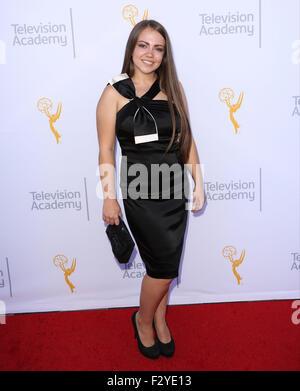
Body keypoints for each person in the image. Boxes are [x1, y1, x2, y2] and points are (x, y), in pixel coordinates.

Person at [96, 19, 205, 359]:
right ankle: (143, 319)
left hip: (173, 186)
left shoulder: (173, 88)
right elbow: (105, 151)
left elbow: (185, 140)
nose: (150, 54)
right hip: (140, 189)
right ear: (131, 48)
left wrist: (198, 181)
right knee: (161, 264)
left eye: (158, 48)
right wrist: (109, 198)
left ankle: (158, 315)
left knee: (167, 262)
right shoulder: (113, 92)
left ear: (164, 55)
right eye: (143, 45)